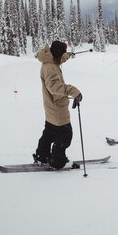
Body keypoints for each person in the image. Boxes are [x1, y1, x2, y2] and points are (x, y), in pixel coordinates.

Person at [33, 40, 82, 169]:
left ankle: (41, 156)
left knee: (49, 132)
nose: (61, 58)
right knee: (65, 136)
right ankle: (56, 161)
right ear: (57, 54)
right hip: (57, 108)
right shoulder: (50, 68)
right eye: (62, 55)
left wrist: (67, 55)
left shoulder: (50, 59)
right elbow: (54, 87)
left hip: (51, 108)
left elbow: (58, 59)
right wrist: (73, 91)